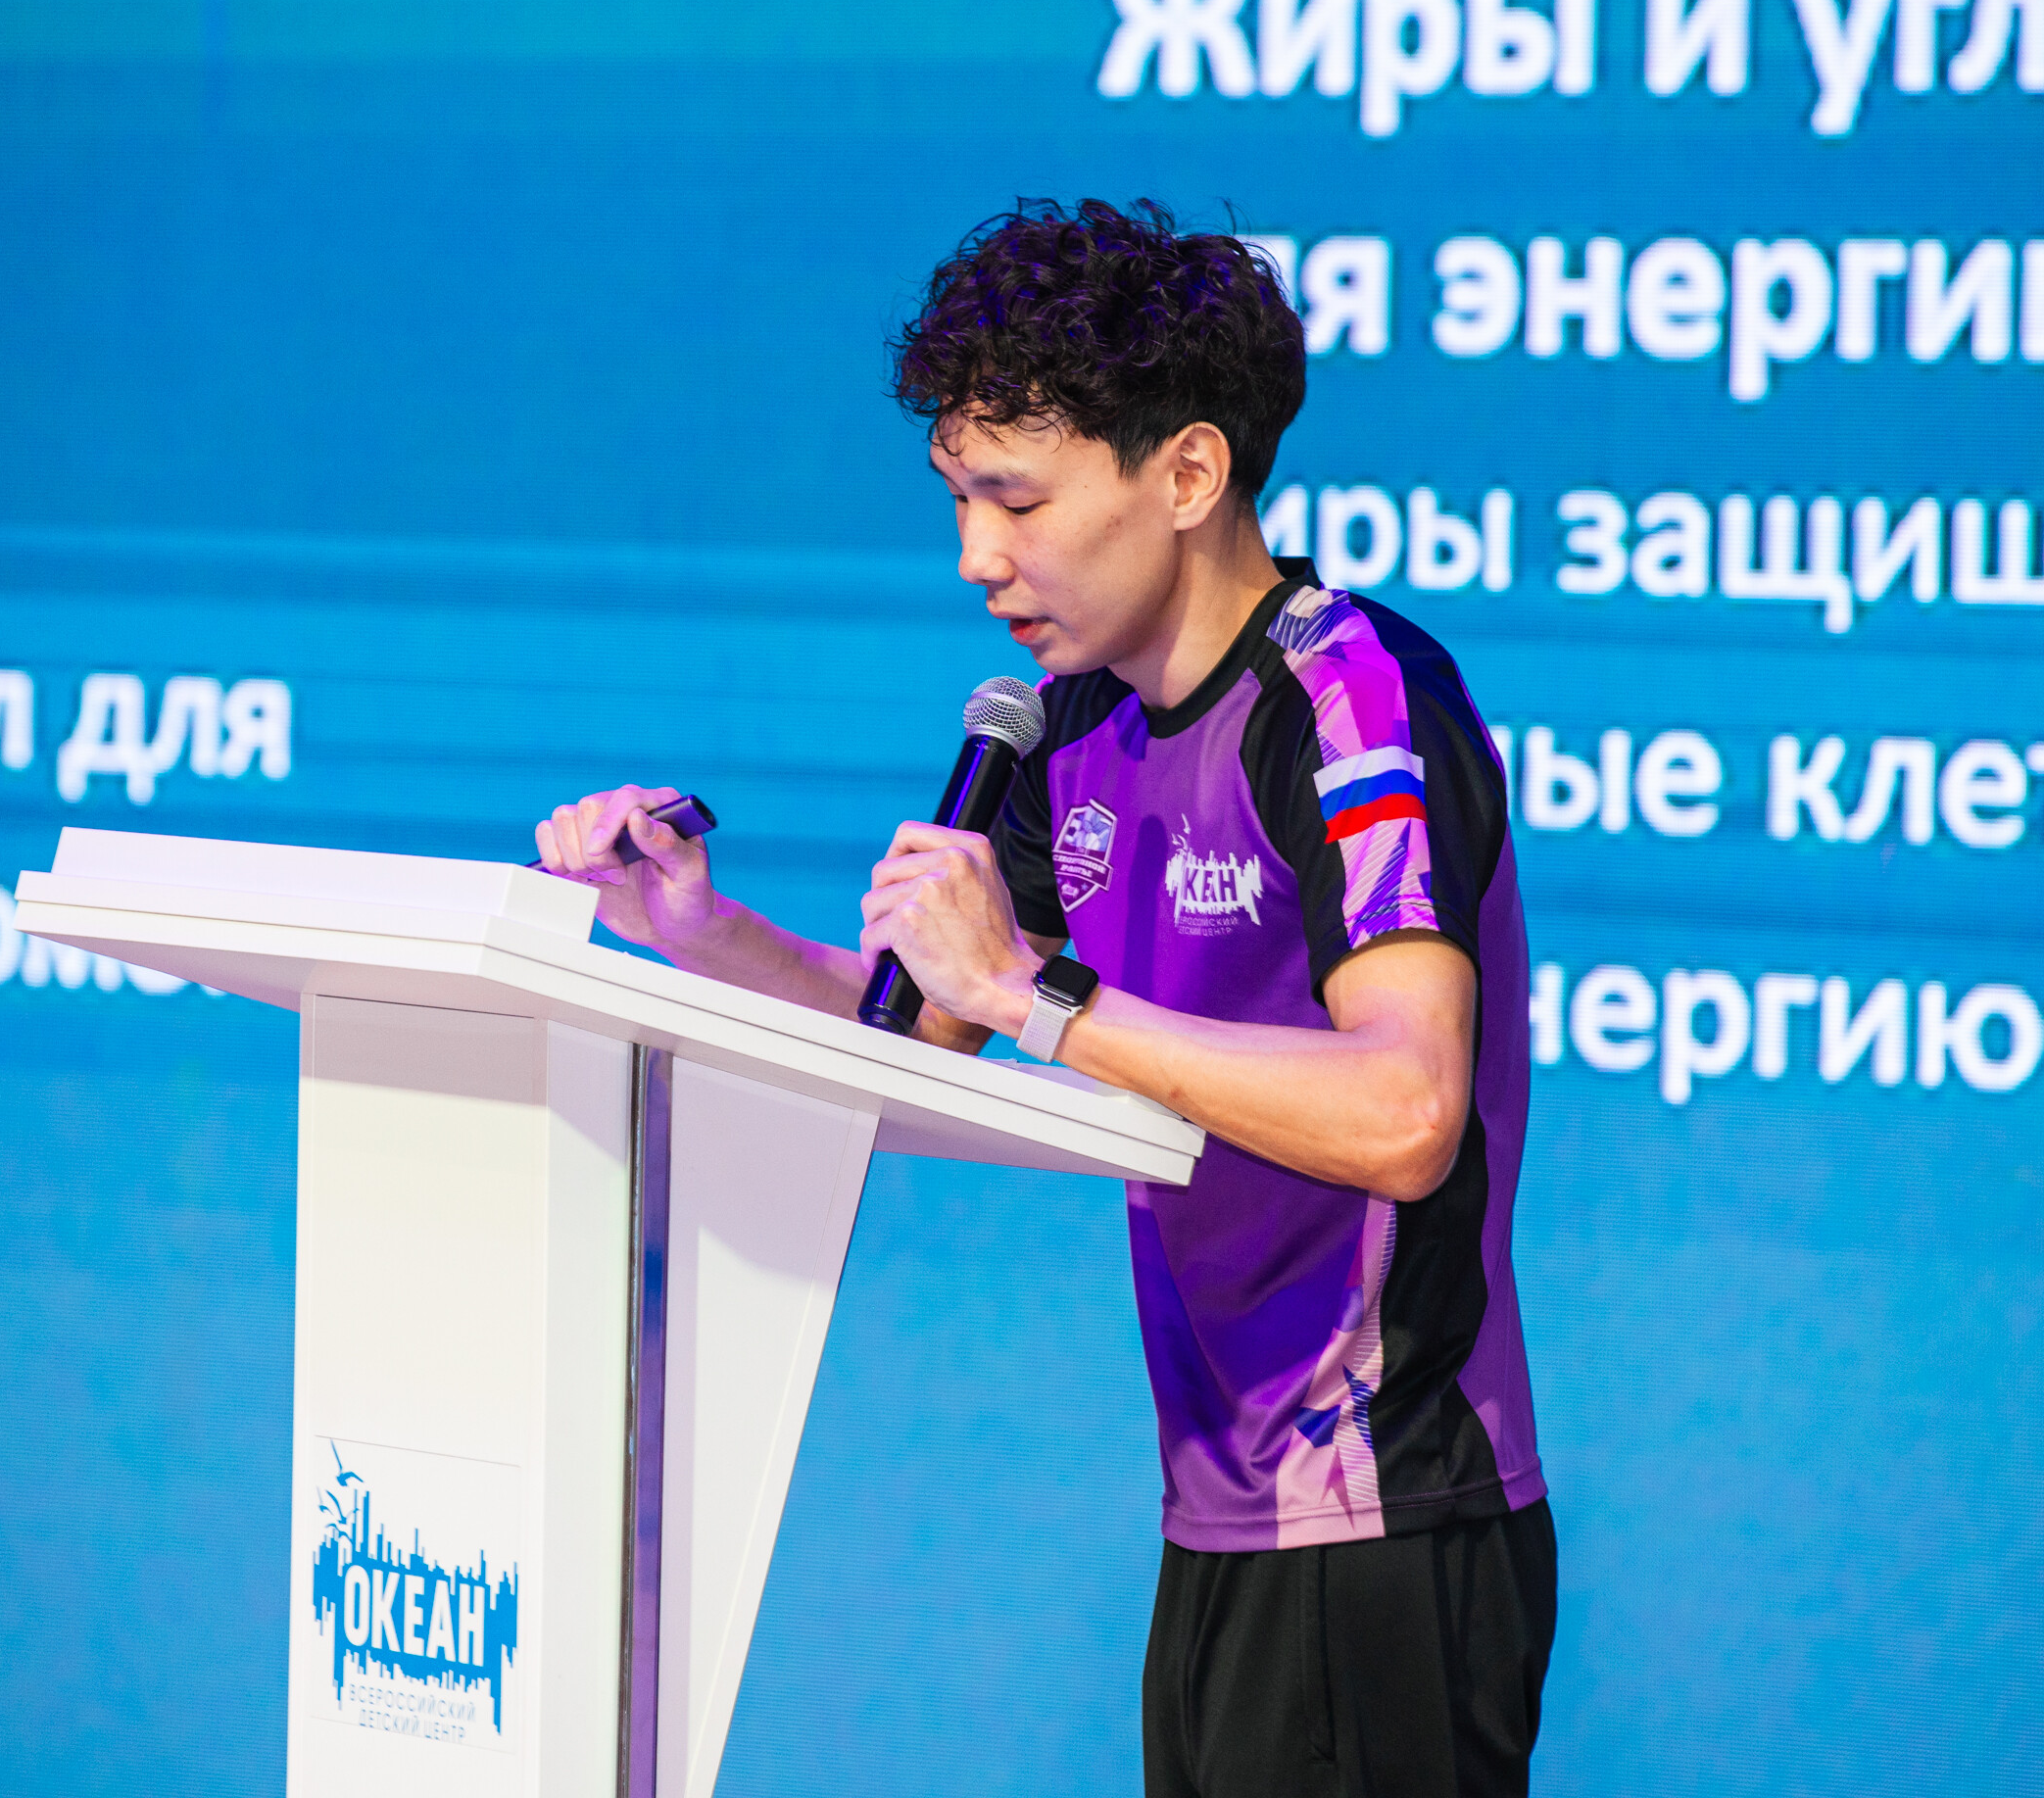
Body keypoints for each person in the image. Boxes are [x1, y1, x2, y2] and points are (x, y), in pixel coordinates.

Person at [535, 197, 1550, 1798]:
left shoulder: (1351, 698)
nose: (976, 559)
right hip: (1218, 1510)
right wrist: (696, 930)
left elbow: (1408, 1109)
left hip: (1386, 1510)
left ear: (1189, 474)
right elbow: (913, 1043)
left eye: (1015, 499)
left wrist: (1042, 993)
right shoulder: (1072, 724)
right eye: (957, 500)